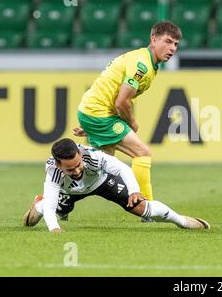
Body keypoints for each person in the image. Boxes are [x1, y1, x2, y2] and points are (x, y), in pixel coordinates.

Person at [73, 21, 182, 206]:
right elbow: (122, 102)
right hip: (99, 113)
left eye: (176, 44)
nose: (172, 48)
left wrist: (92, 125)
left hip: (94, 112)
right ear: (153, 40)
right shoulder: (143, 65)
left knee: (98, 170)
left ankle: (62, 199)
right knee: (142, 152)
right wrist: (131, 122)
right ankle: (146, 205)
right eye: (168, 41)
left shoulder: (143, 59)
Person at [22, 138, 210, 233]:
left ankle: (181, 221)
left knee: (143, 208)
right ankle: (39, 203)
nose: (77, 171)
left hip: (101, 182)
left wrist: (135, 190)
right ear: (58, 165)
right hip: (69, 191)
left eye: (78, 165)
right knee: (32, 221)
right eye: (70, 169)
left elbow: (123, 169)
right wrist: (54, 229)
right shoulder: (53, 172)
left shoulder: (94, 156)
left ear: (80, 155)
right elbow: (52, 205)